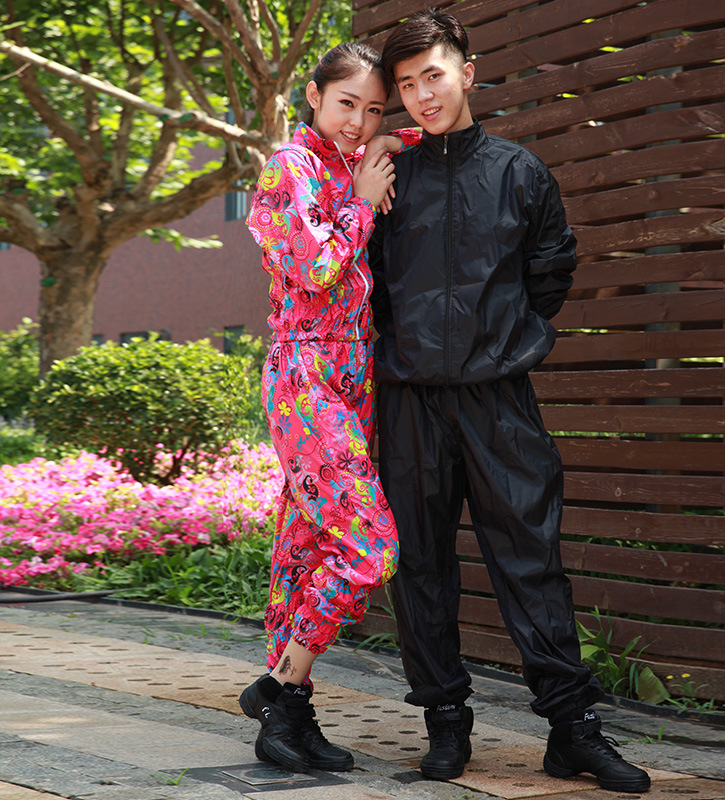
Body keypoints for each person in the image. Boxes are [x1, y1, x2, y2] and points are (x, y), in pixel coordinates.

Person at [369, 10, 650, 795]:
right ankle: (445, 722)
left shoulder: (520, 173)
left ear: (466, 72)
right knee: (419, 565)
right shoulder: (389, 178)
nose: (423, 95)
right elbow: (368, 284)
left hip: (500, 400)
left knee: (532, 563)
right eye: (407, 85)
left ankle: (573, 730)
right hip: (410, 403)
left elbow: (550, 272)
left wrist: (499, 340)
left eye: (433, 76)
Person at [240, 42, 419, 774]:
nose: (358, 121)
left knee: (308, 544)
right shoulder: (290, 167)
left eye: (373, 108)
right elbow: (317, 267)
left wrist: (386, 141)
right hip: (306, 372)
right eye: (347, 103)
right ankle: (277, 691)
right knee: (370, 546)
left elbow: (420, 131)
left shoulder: (351, 163)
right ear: (313, 95)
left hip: (353, 375)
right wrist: (363, 200)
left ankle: (291, 711)